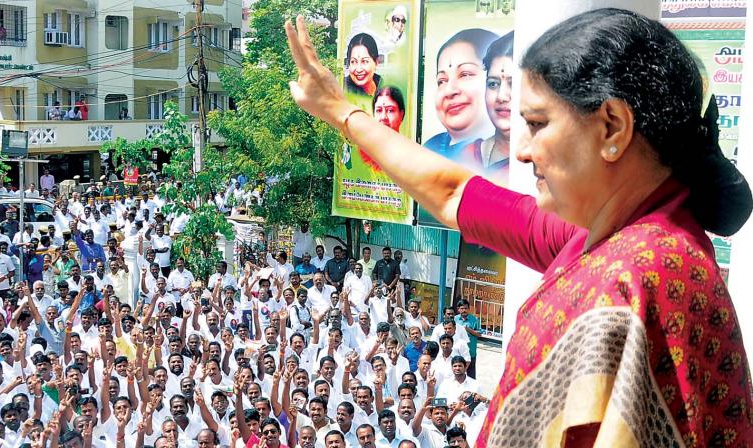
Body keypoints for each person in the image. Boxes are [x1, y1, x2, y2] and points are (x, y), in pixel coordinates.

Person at [284, 8, 753, 447]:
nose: (522, 152)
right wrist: (341, 111)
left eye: (538, 123)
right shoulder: (607, 239)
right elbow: (452, 192)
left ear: (612, 127)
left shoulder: (631, 279)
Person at [422, 29, 497, 169]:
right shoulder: (430, 147)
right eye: (442, 81)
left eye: (465, 74)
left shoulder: (503, 157)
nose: (449, 91)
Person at [479, 31, 514, 179]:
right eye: (493, 84)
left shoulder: (546, 166)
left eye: (513, 84)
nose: (501, 96)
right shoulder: (467, 153)